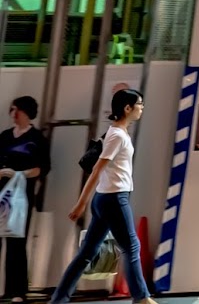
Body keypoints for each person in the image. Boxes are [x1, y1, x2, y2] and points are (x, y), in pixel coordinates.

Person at [46, 88, 149, 304]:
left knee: (86, 254)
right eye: (139, 103)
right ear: (127, 108)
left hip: (105, 199)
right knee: (131, 247)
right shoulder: (117, 136)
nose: (142, 107)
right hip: (114, 199)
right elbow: (96, 170)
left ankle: (58, 300)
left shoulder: (116, 133)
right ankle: (141, 298)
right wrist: (80, 204)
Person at [0, 95, 48, 304]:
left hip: (20, 196)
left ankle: (17, 290)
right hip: (1, 192)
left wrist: (19, 173)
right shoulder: (4, 136)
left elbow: (42, 168)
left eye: (15, 109)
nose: (12, 114)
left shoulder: (37, 138)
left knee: (17, 243)